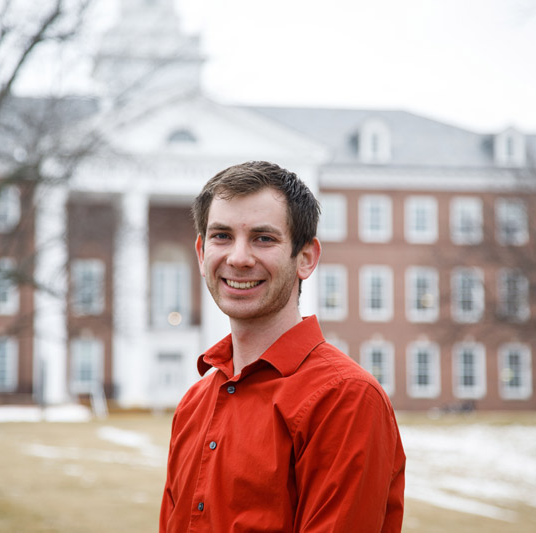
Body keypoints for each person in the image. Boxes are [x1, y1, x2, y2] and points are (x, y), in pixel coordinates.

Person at [159, 161, 406, 532]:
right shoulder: (195, 403)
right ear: (200, 252)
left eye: (264, 238)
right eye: (222, 236)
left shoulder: (345, 398)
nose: (238, 258)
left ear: (306, 258)